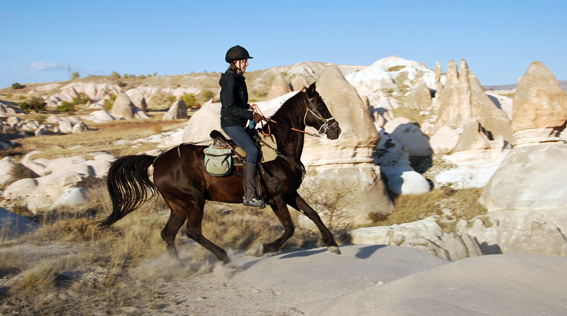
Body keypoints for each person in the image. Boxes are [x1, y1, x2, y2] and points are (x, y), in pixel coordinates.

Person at [219, 45, 265, 208]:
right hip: (231, 124)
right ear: (235, 62)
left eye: (246, 61)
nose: (247, 64)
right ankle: (249, 196)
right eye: (244, 61)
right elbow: (230, 108)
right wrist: (251, 115)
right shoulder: (231, 80)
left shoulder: (238, 78)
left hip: (238, 121)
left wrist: (248, 107)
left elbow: (237, 103)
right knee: (252, 151)